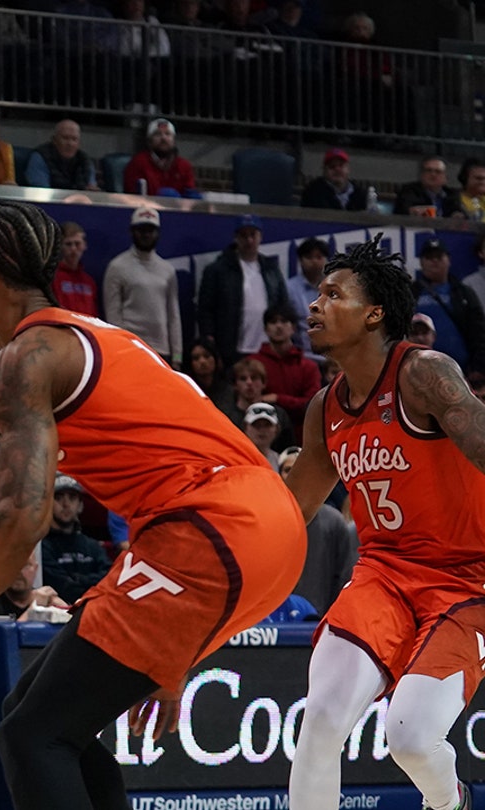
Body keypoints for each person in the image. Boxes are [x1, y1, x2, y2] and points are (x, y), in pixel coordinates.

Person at [0, 201, 307, 809]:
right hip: (264, 529)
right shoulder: (94, 333)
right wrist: (174, 649)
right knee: (38, 717)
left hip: (210, 528)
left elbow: (21, 516)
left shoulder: (28, 355)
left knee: (30, 735)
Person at [281, 234, 485, 810]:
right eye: (316, 294)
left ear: (374, 314)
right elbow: (289, 514)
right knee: (320, 718)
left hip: (466, 582)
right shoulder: (325, 407)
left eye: (332, 294)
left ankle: (451, 803)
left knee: (412, 740)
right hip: (383, 577)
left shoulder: (424, 374)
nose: (314, 305)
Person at [197, 214, 290, 365]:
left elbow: (283, 306)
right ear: (236, 238)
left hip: (267, 347)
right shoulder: (218, 270)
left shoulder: (271, 270)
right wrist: (209, 339)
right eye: (243, 235)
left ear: (260, 237)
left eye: (253, 235)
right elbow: (205, 309)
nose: (249, 240)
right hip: (231, 348)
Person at [274, 448, 356, 615]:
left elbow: (344, 576)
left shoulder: (334, 521)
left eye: (299, 469)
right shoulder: (267, 518)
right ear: (278, 475)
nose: (294, 475)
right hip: (272, 622)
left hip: (321, 619)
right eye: (288, 470)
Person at [102, 207, 181, 367]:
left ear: (157, 233)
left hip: (161, 352)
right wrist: (121, 349)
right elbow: (113, 315)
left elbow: (173, 316)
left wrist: (177, 356)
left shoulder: (167, 270)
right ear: (132, 232)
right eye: (141, 229)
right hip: (131, 351)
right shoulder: (117, 267)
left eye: (150, 230)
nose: (146, 234)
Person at [414, 237, 485, 376]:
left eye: (439, 256)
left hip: (461, 372)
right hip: (419, 372)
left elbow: (479, 331)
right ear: (421, 262)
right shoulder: (411, 293)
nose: (434, 261)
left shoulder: (464, 293)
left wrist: (479, 367)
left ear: (448, 260)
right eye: (429, 257)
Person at [39, 474, 110, 604]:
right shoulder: (41, 547)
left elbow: (109, 581)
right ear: (48, 503)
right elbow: (62, 587)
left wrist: (76, 579)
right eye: (58, 497)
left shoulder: (93, 546)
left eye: (72, 498)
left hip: (92, 610)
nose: (66, 504)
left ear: (81, 505)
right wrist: (90, 581)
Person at [249, 304, 321, 427]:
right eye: (273, 322)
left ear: (293, 327)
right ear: (265, 328)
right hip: (262, 430)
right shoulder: (252, 363)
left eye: (284, 321)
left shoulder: (308, 367)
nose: (278, 326)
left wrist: (278, 399)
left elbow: (312, 405)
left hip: (301, 432)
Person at [123, 118, 197, 197]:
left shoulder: (184, 165)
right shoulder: (138, 162)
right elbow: (132, 196)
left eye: (168, 134)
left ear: (173, 140)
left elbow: (190, 197)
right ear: (150, 141)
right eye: (158, 134)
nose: (163, 138)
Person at [24, 119, 98, 190]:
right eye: (65, 138)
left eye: (74, 139)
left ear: (79, 143)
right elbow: (40, 191)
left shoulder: (85, 160)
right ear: (54, 140)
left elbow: (90, 189)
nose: (70, 143)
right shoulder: (40, 156)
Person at [51, 222, 97, 317]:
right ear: (60, 246)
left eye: (77, 244)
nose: (73, 249)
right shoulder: (52, 278)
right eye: (68, 244)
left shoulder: (88, 281)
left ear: (84, 245)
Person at [393, 156, 462, 218]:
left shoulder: (452, 194)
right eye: (428, 170)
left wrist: (458, 215)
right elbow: (404, 211)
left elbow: (461, 213)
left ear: (446, 177)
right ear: (421, 175)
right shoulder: (409, 191)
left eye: (438, 171)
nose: (433, 174)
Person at [300, 148, 369, 211]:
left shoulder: (360, 193)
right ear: (324, 170)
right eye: (332, 166)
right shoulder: (312, 192)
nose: (337, 170)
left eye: (341, 165)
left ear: (348, 169)